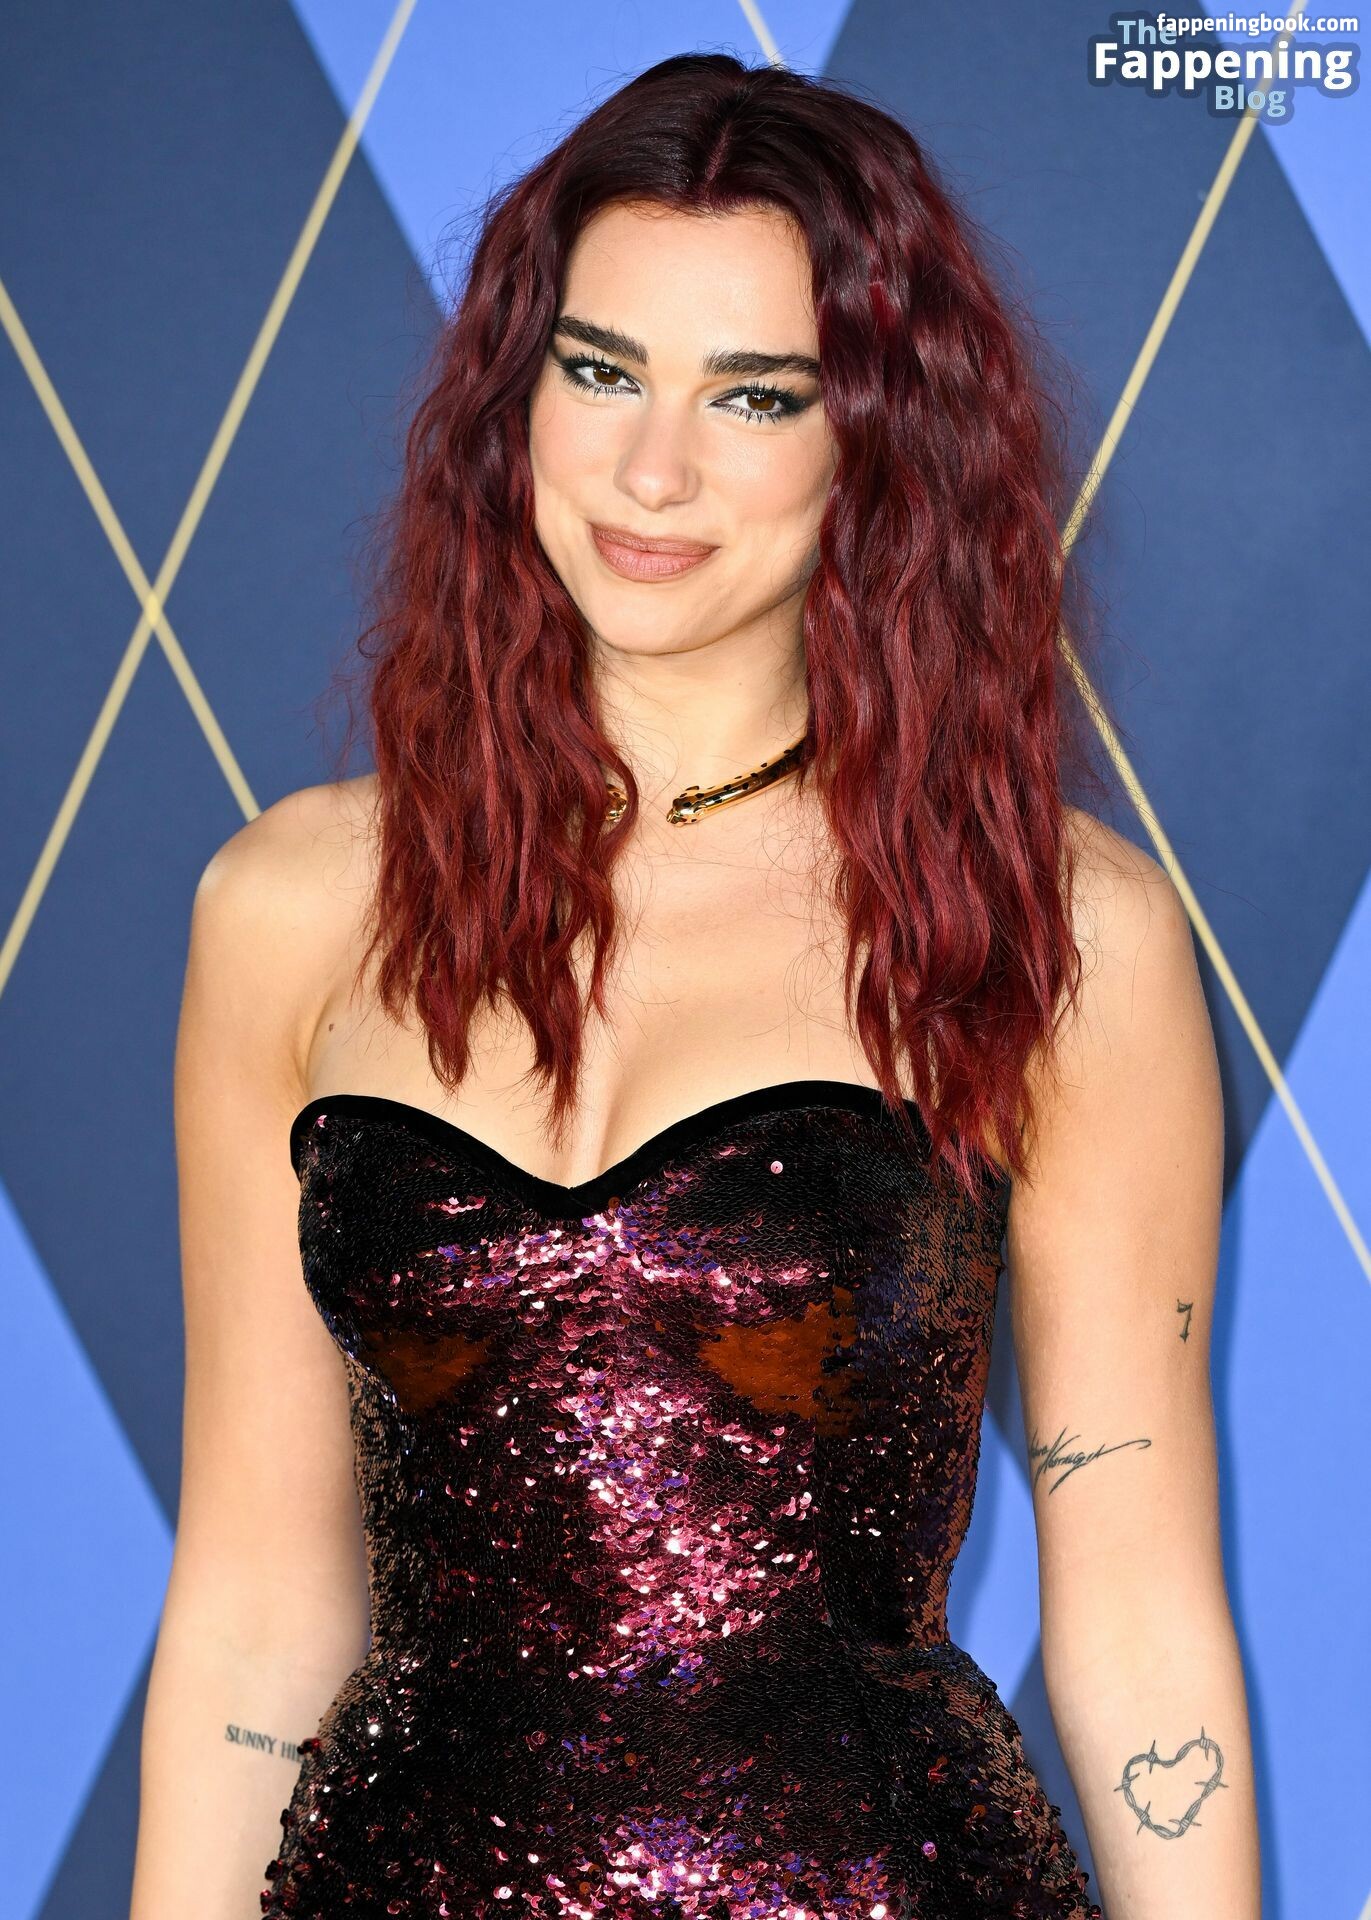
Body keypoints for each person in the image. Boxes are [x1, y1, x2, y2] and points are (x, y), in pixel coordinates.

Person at [129, 51, 1260, 1920]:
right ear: (516, 396)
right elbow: (255, 1606)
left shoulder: (1053, 928)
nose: (652, 470)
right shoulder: (289, 907)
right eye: (601, 371)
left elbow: (1139, 1620)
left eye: (754, 395)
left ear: (876, 438)